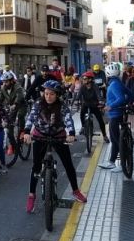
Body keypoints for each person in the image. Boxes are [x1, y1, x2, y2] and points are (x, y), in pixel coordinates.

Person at [23, 80, 87, 213]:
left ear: (57, 95)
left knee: (68, 164)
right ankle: (31, 195)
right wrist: (27, 132)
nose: (48, 97)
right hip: (40, 136)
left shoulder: (62, 106)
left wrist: (71, 133)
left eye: (52, 94)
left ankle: (75, 191)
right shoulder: (38, 104)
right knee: (36, 166)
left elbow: (68, 119)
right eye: (46, 94)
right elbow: (31, 118)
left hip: (58, 136)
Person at [99, 64, 132, 171]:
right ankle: (111, 162)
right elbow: (130, 94)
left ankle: (122, 165)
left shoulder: (113, 85)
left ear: (108, 74)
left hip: (115, 114)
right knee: (115, 139)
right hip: (119, 113)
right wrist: (126, 103)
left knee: (117, 140)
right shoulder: (118, 82)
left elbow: (121, 98)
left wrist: (110, 106)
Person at [0, 72, 27, 148]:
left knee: (20, 115)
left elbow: (19, 96)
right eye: (3, 82)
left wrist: (15, 104)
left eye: (6, 81)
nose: (4, 83)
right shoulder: (3, 88)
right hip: (11, 107)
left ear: (11, 81)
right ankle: (13, 145)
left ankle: (22, 132)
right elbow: (0, 99)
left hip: (20, 105)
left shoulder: (17, 86)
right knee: (9, 124)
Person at [77, 71, 109, 143]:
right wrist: (77, 101)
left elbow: (98, 95)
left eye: (85, 78)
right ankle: (83, 127)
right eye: (83, 78)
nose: (83, 80)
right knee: (82, 113)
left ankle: (104, 135)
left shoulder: (95, 86)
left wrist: (100, 101)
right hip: (86, 104)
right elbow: (78, 96)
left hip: (94, 105)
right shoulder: (82, 87)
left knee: (100, 121)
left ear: (90, 79)